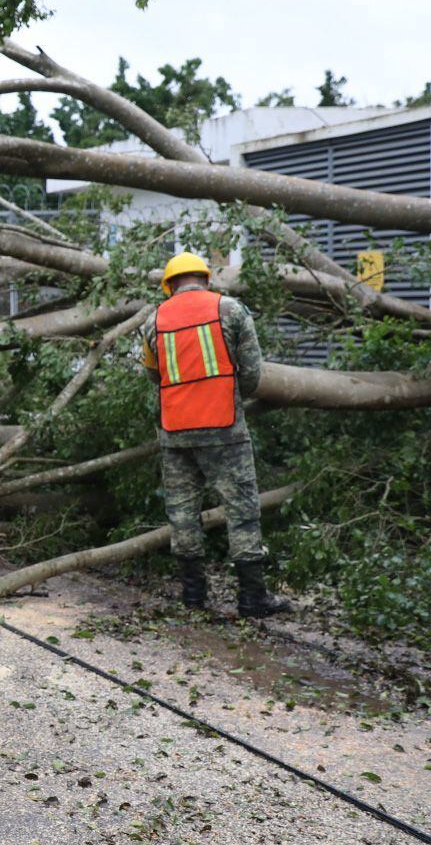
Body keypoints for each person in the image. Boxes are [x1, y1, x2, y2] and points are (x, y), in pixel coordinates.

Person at [139, 253, 290, 619]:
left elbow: (152, 375)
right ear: (206, 279)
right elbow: (252, 375)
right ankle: (252, 598)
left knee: (182, 513)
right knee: (241, 510)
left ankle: (193, 596)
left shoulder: (152, 321)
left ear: (169, 285)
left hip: (175, 433)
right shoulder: (233, 310)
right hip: (225, 429)